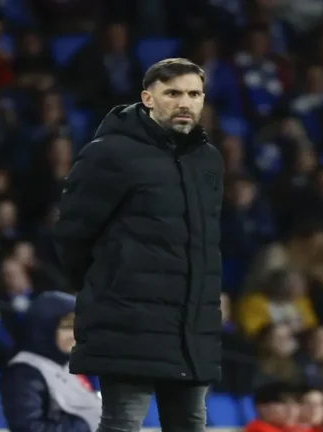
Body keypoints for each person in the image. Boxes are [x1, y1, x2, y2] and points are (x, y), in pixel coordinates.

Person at [52, 58, 224, 431]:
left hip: (190, 327)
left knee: (192, 424)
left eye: (194, 94)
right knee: (123, 423)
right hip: (127, 322)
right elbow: (72, 236)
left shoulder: (208, 161)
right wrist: (111, 284)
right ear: (148, 98)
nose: (185, 102)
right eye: (173, 93)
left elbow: (204, 247)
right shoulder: (109, 153)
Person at [0, 292, 101, 432]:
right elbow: (28, 428)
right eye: (66, 327)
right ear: (45, 327)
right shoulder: (24, 373)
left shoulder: (66, 364)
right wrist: (84, 426)